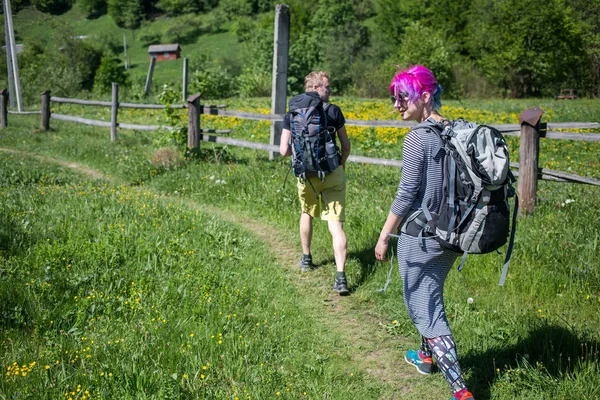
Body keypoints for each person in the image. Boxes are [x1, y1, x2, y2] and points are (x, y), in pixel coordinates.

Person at [374, 65, 475, 400]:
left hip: (421, 236)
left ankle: (461, 391)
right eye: (395, 98)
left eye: (404, 97)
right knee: (428, 293)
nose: (397, 105)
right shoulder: (455, 130)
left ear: (426, 97)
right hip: (453, 235)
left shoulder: (418, 136)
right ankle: (426, 357)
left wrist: (385, 234)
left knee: (426, 309)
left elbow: (406, 194)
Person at [280, 71, 352, 295]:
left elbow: (283, 151)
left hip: (307, 176)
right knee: (336, 224)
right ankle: (340, 277)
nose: (329, 91)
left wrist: (300, 157)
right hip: (333, 173)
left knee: (307, 213)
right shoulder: (333, 111)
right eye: (327, 87)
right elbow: (346, 145)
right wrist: (339, 164)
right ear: (316, 88)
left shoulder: (291, 114)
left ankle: (306, 259)